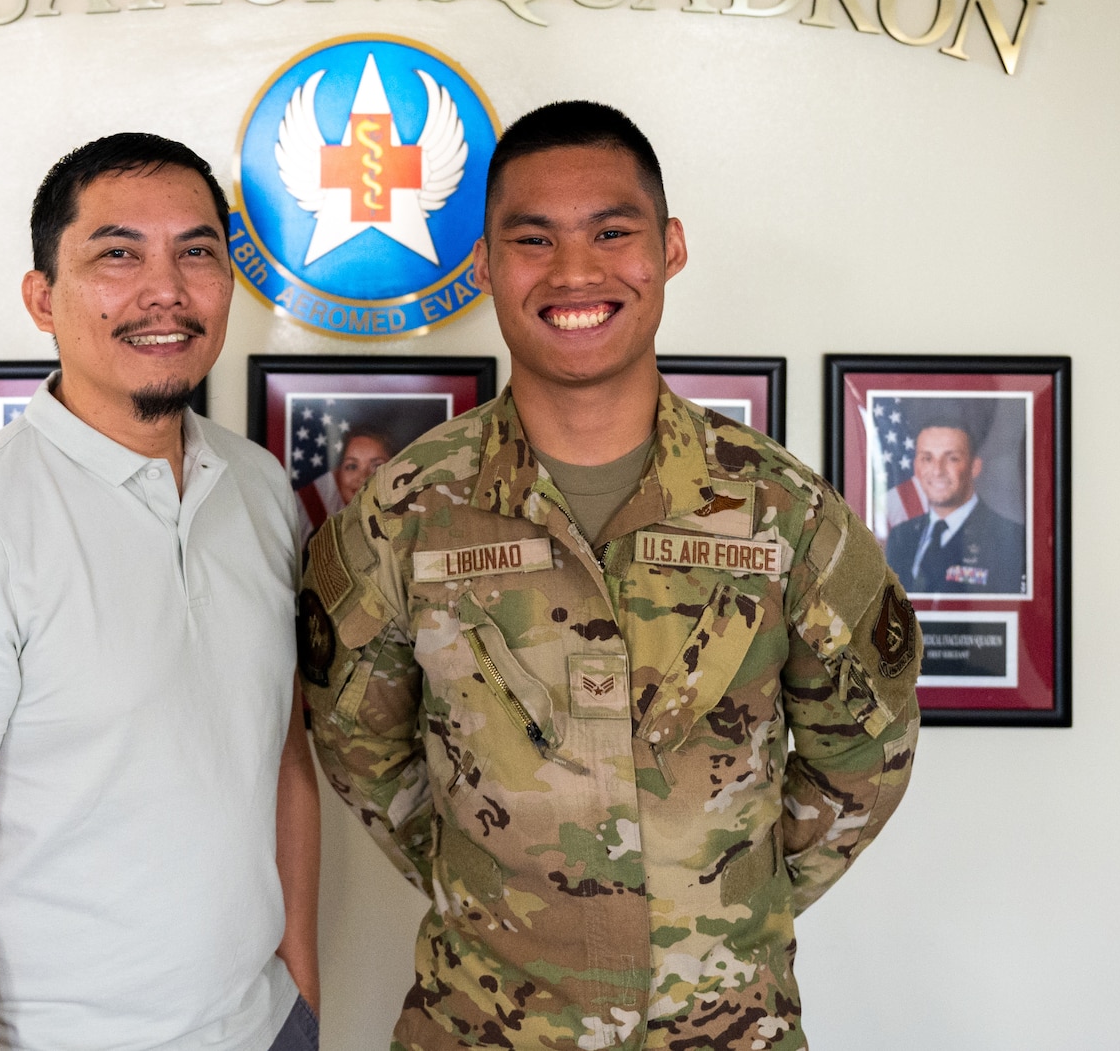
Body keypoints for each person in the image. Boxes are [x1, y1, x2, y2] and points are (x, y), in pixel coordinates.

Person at [298, 101, 921, 1051]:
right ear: (485, 265)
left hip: (728, 1031)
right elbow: (361, 753)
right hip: (482, 1028)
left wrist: (722, 910)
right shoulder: (404, 513)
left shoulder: (780, 510)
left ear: (668, 247)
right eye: (533, 238)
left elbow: (864, 755)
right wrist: (505, 900)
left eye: (612, 231)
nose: (576, 271)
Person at [0, 134, 322, 1051]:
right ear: (42, 299)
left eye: (198, 252)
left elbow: (283, 759)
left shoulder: (262, 491)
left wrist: (301, 991)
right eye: (117, 254)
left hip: (264, 1028)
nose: (166, 290)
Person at [885, 419, 1027, 595]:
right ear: (916, 467)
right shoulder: (900, 537)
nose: (937, 471)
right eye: (927, 458)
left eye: (952, 458)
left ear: (974, 467)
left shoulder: (1010, 539)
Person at [293, 425, 393, 544]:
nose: (363, 477)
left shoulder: (411, 536)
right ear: (339, 474)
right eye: (352, 466)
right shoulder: (320, 541)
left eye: (376, 466)